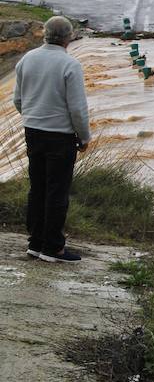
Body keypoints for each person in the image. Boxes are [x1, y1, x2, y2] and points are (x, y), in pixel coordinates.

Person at [13, 16, 90, 263]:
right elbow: (77, 109)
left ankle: (35, 243)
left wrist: (33, 117)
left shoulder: (27, 59)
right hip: (60, 136)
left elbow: (18, 100)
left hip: (32, 131)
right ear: (68, 37)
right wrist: (84, 136)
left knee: (38, 188)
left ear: (45, 34)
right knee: (57, 191)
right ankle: (53, 248)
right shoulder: (70, 65)